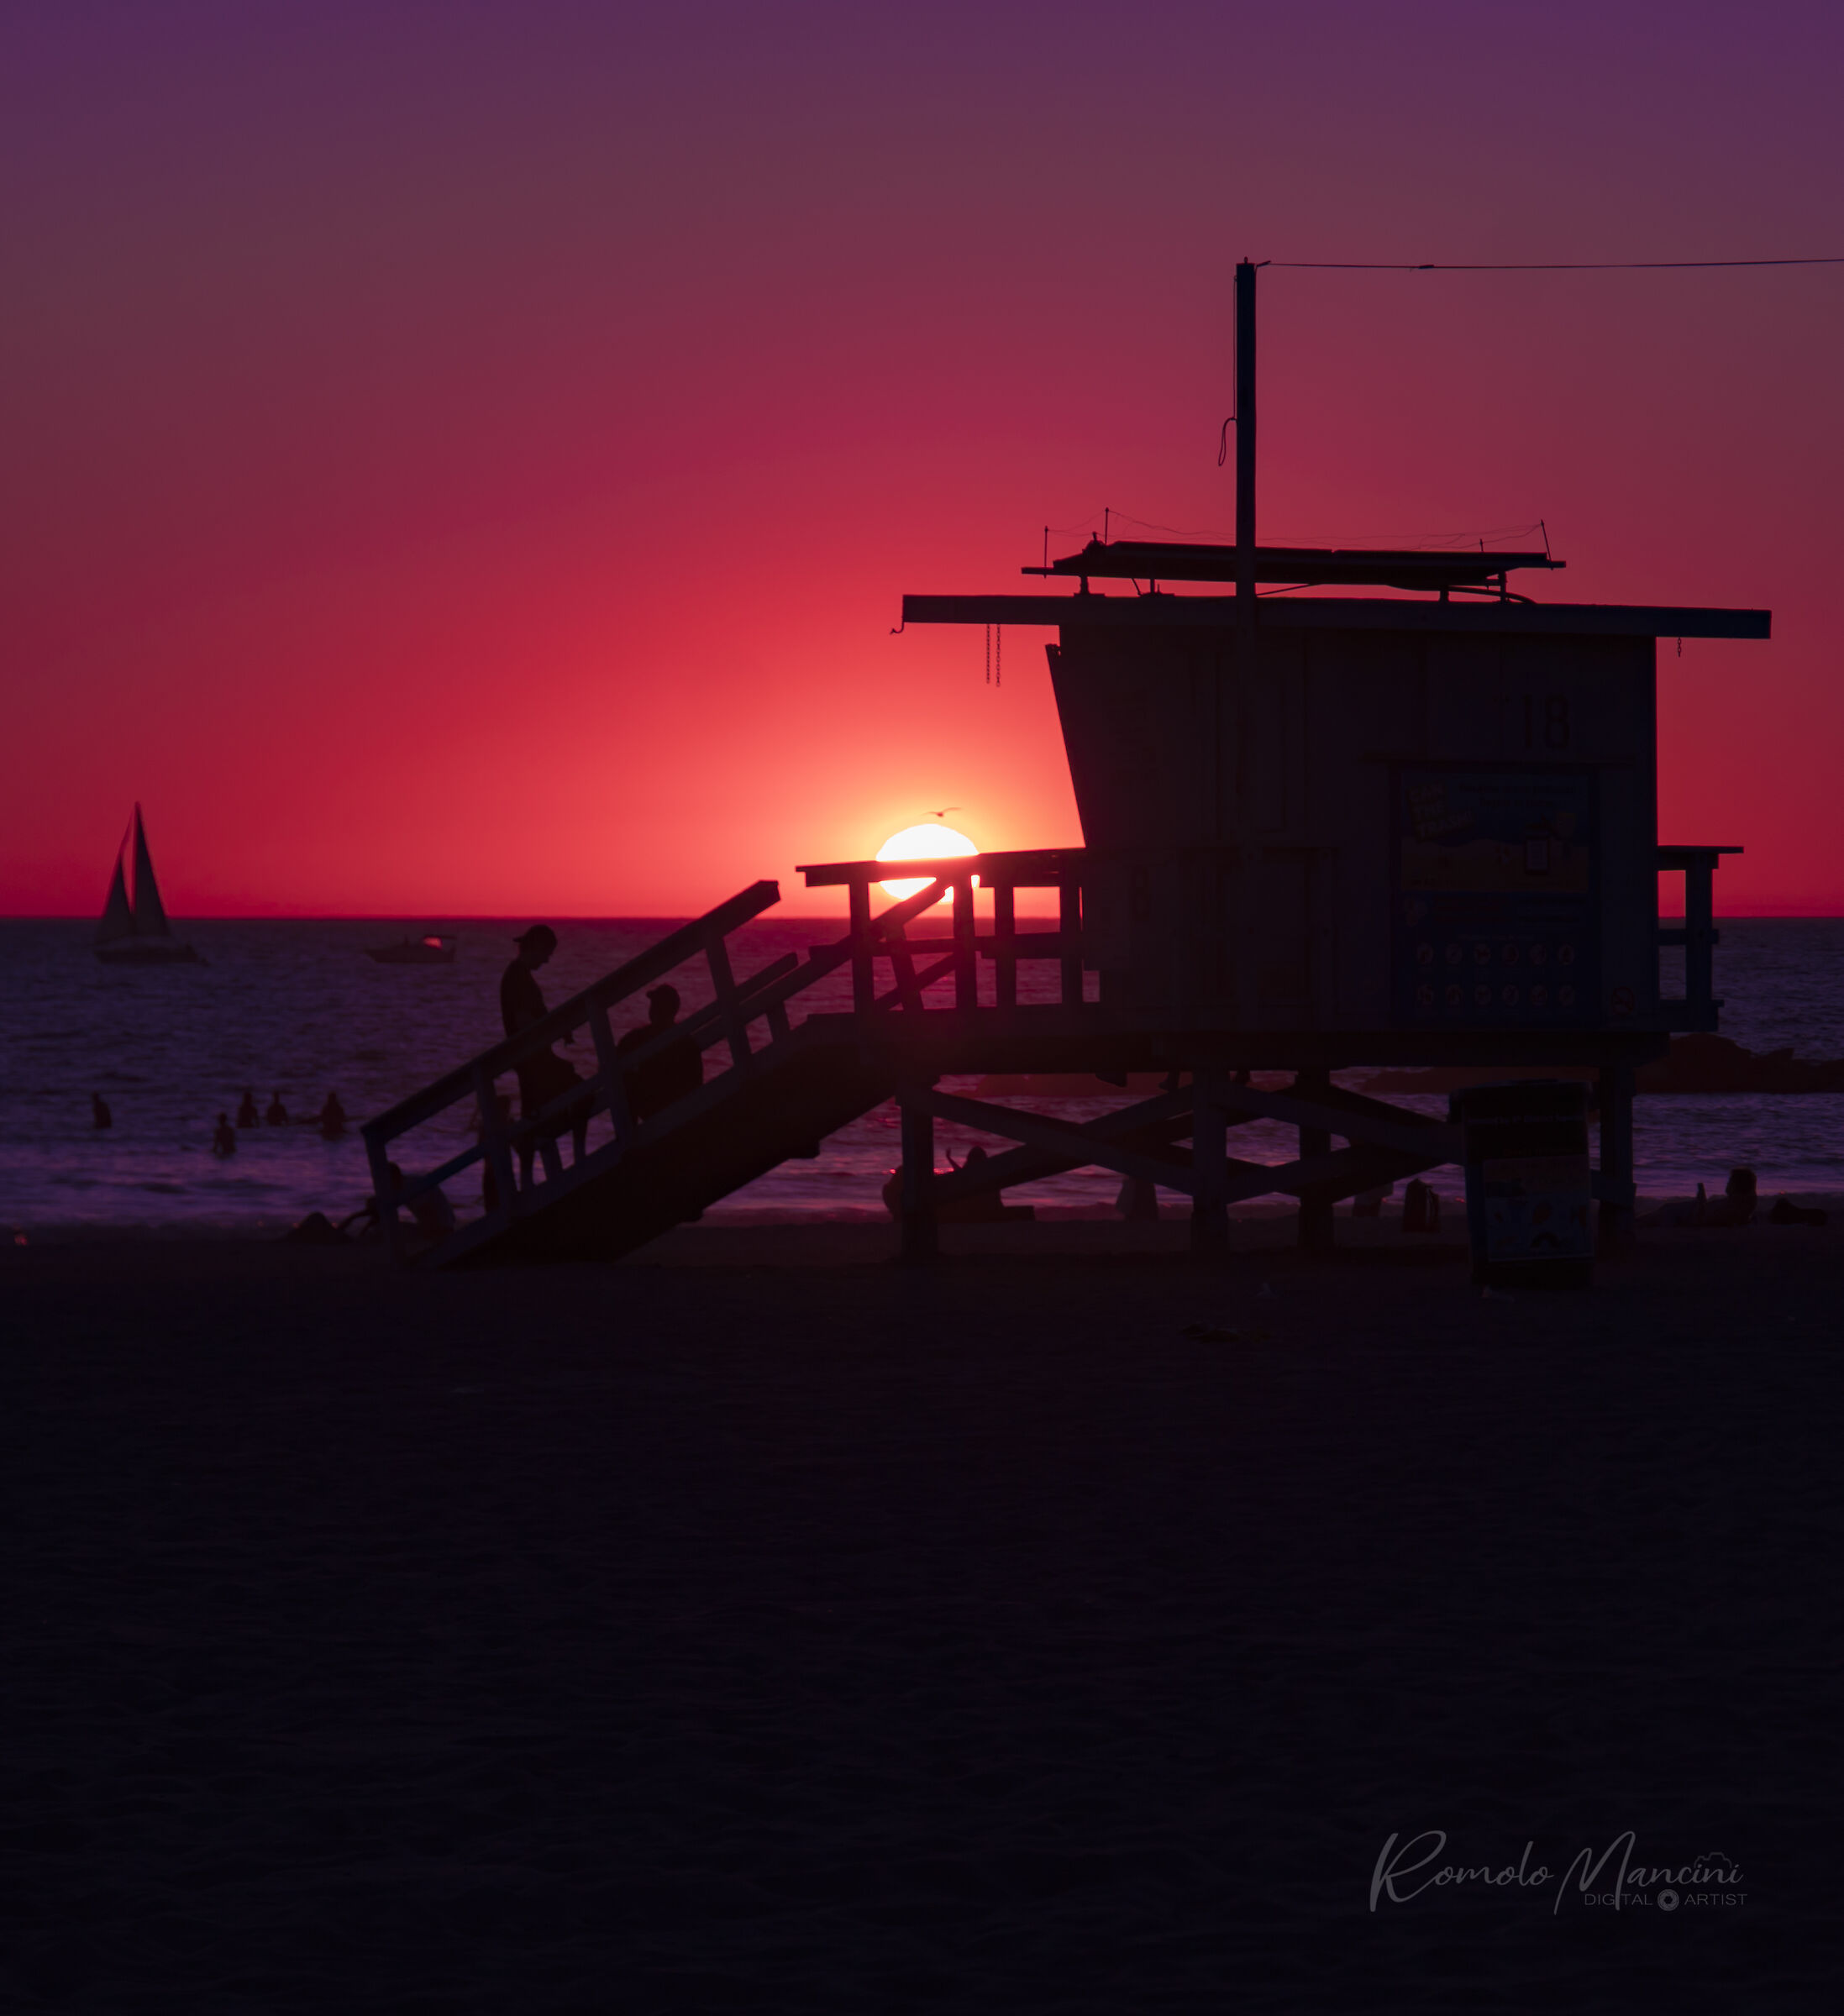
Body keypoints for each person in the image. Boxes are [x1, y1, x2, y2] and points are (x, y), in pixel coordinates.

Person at [501, 925, 588, 1175]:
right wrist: (553, 1029)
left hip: (532, 1059)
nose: (548, 959)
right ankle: (577, 1161)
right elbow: (524, 1021)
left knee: (538, 1118)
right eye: (547, 953)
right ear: (536, 948)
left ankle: (545, 1172)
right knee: (581, 1094)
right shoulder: (518, 978)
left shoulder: (518, 976)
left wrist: (556, 1028)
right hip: (534, 1061)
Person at [615, 983, 701, 1123]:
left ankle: (629, 1133)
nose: (651, 1007)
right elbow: (697, 1081)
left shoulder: (638, 1037)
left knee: (626, 1080)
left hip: (653, 1105)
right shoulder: (687, 1040)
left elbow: (614, 1057)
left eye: (654, 1004)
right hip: (681, 1107)